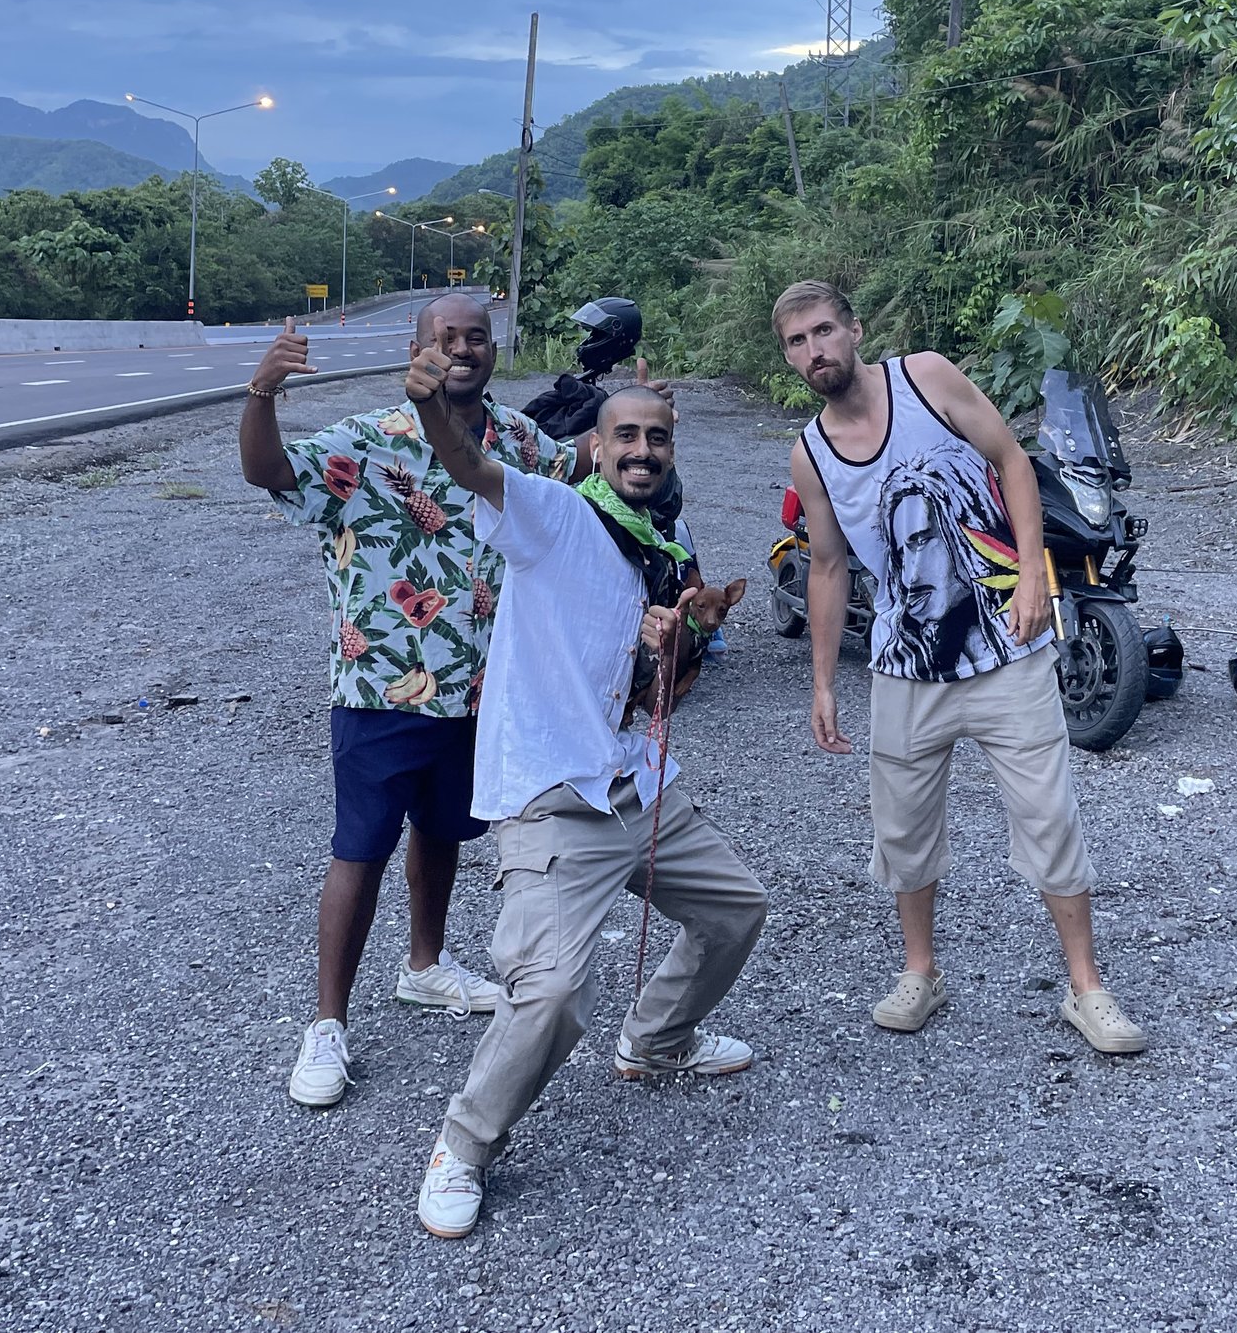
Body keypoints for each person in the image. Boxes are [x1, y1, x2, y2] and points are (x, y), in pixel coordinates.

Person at [402, 352, 768, 1239]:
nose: (644, 450)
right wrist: (433, 410)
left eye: (659, 438)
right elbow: (471, 465)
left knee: (738, 909)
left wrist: (671, 643)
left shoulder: (665, 551)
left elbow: (660, 692)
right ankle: (464, 1141)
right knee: (554, 988)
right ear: (595, 448)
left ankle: (654, 1039)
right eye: (628, 436)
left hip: (638, 786)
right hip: (551, 794)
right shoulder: (555, 514)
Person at [776, 280, 1147, 1056]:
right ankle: (921, 973)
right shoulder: (810, 453)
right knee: (903, 830)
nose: (814, 351)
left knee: (1048, 814)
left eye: (823, 331)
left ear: (855, 328)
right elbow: (828, 564)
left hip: (1007, 651)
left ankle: (1088, 987)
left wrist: (1037, 575)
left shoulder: (927, 378)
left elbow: (1010, 459)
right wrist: (820, 680)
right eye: (797, 342)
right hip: (905, 669)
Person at [239, 293, 575, 1110]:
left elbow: (579, 484)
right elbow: (271, 472)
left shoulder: (523, 440)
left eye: (478, 338)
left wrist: (634, 421)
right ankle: (326, 1024)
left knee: (445, 829)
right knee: (360, 847)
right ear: (417, 347)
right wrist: (260, 395)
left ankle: (425, 966)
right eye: (447, 336)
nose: (464, 348)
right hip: (380, 684)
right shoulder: (366, 438)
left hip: (482, 689)